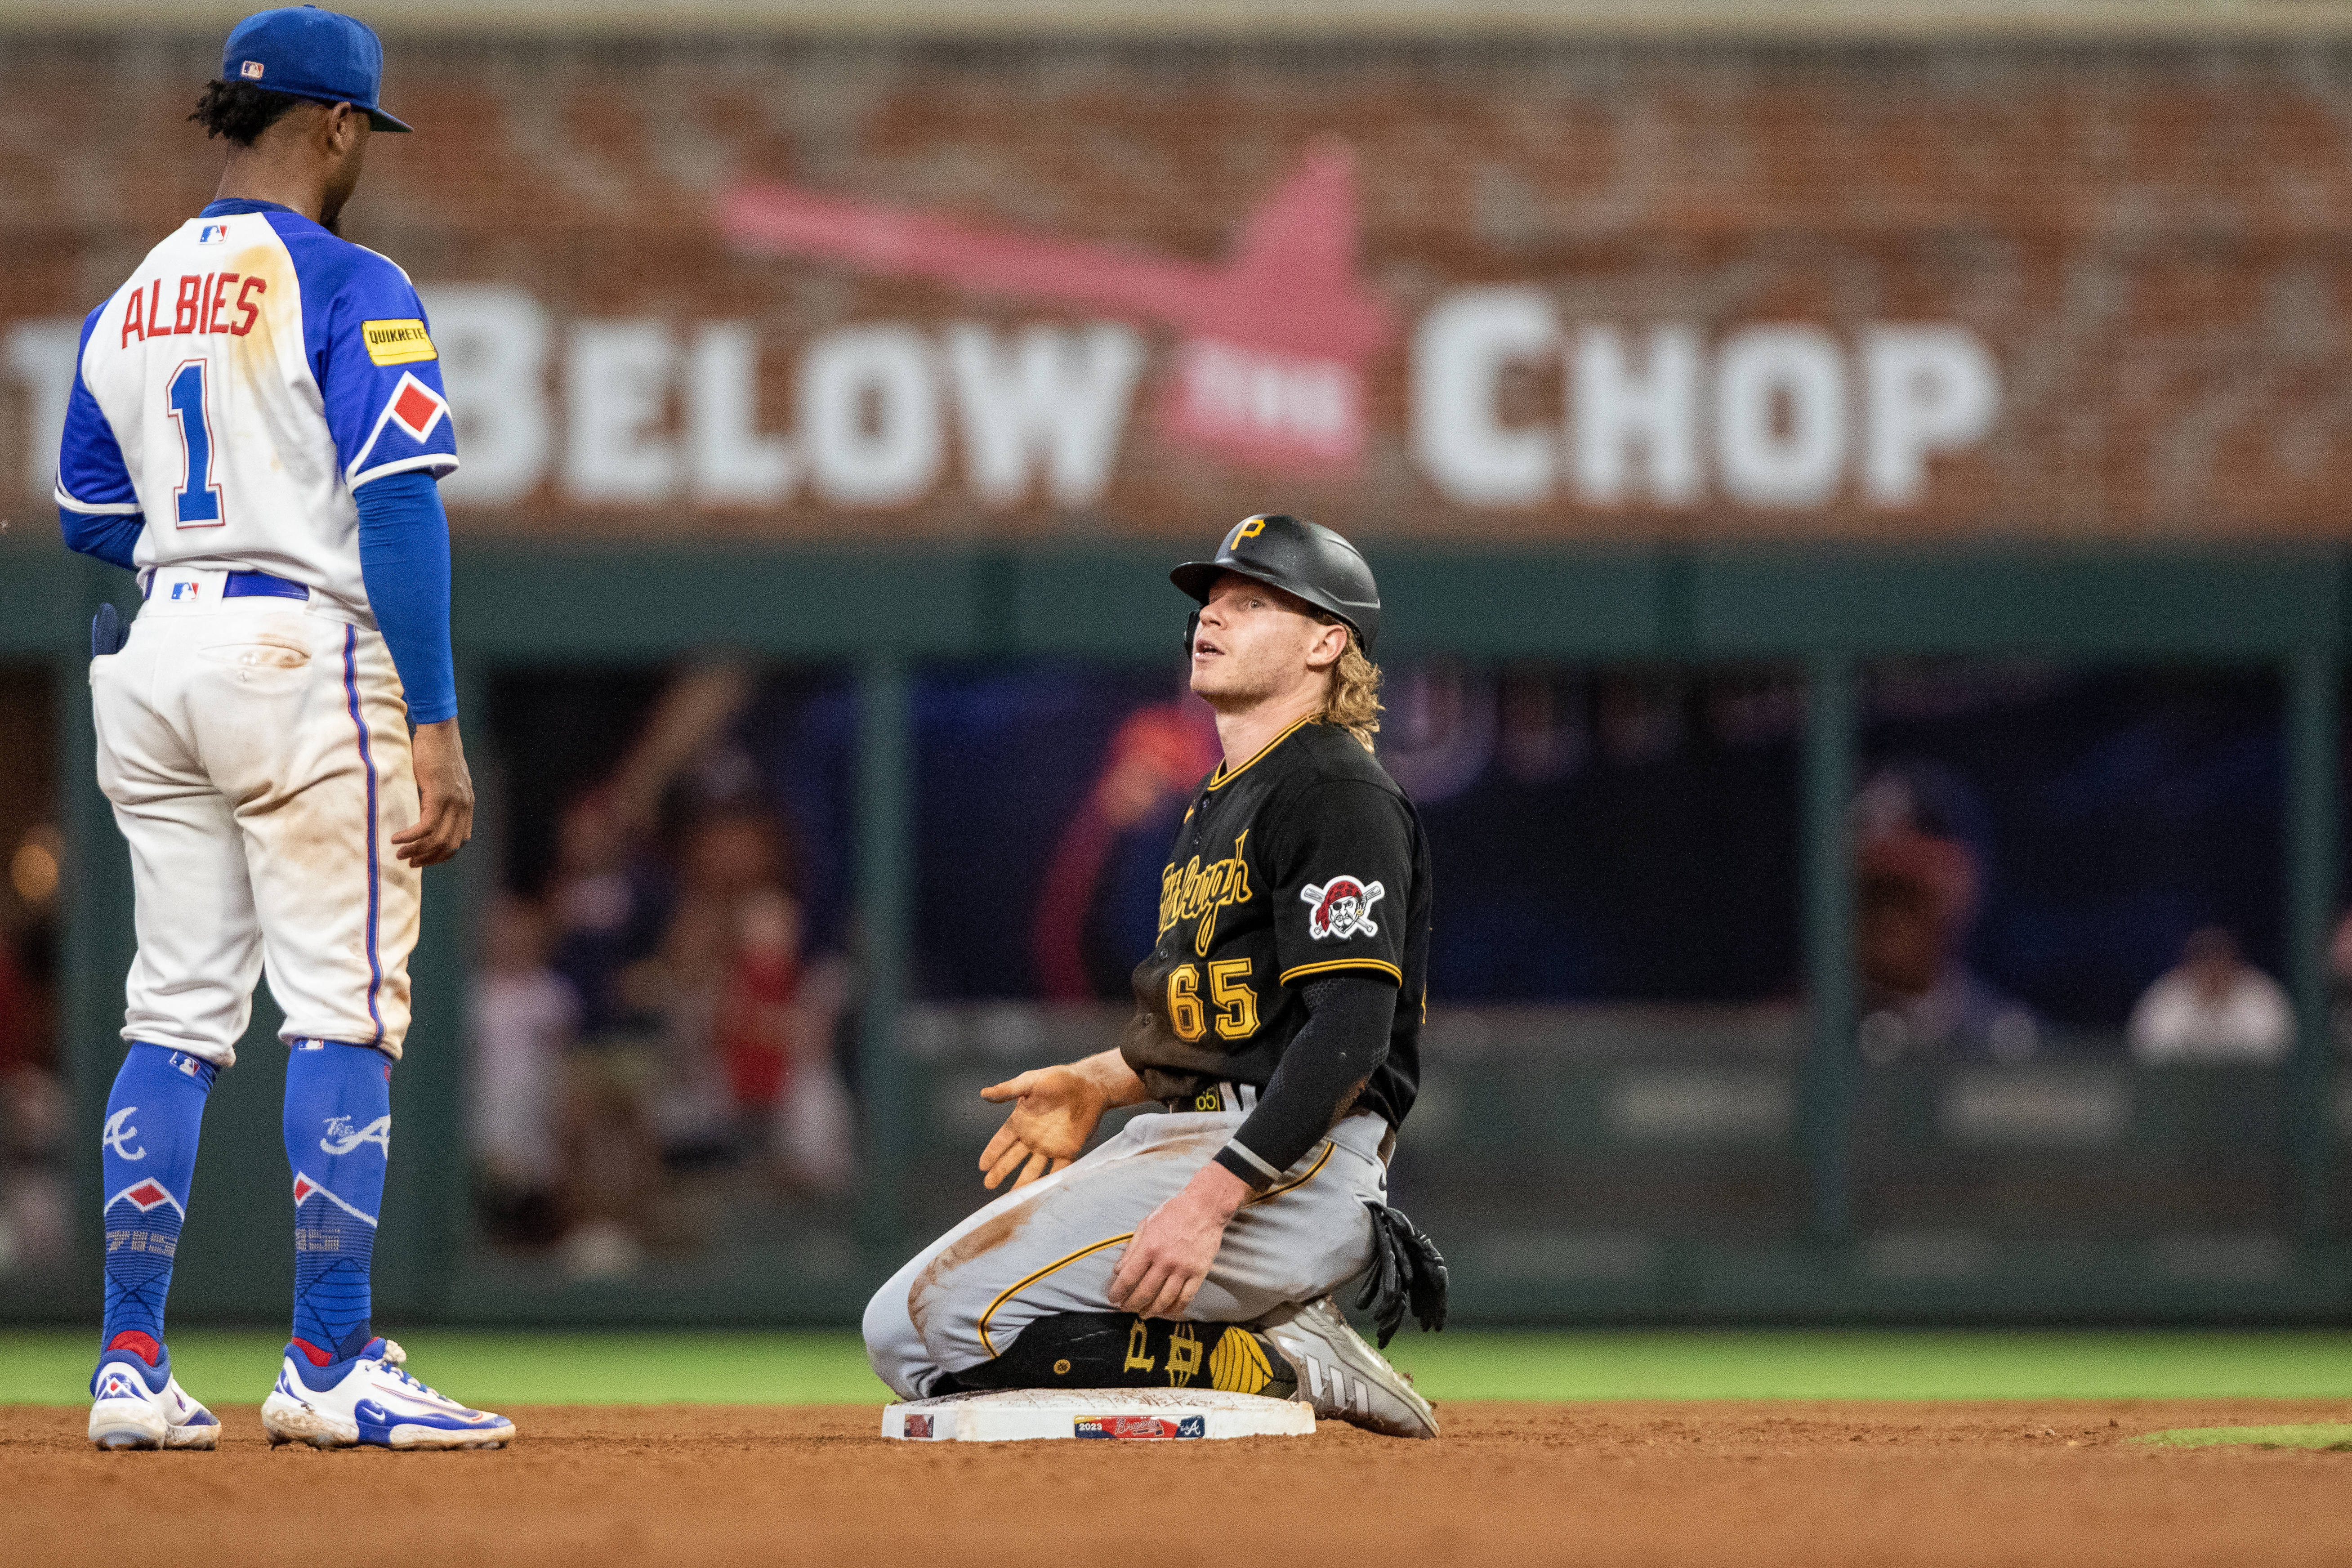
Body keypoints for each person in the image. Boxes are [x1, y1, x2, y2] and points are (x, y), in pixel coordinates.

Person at [57, 9, 509, 1450]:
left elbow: (86, 511)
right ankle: (328, 1359)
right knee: (342, 1004)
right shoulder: (349, 276)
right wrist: (434, 725)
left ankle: (131, 1362)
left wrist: (195, 559)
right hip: (296, 647)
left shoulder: (125, 298)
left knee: (173, 1010)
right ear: (333, 126)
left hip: (151, 643)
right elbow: (396, 502)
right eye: (363, 130)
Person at [862, 514, 1449, 1439]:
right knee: (901, 1340)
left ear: (1326, 642)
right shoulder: (1220, 797)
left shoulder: (1335, 789)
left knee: (954, 1326)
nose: (1209, 619)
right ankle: (1268, 1333)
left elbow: (1344, 1033)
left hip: (1286, 1164)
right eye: (1208, 603)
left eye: (1249, 602)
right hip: (1188, 1136)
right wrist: (1099, 1079)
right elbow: (1233, 1020)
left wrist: (1205, 1204)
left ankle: (1287, 1360)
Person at [1851, 763, 2041, 1063]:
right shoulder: (1790, 1035)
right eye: (1868, 891)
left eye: (1903, 890)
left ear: (1957, 891)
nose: (1883, 914)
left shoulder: (2004, 1041)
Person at [2128, 927, 2292, 1065]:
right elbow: (2147, 1049)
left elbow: (2279, 1048)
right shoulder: (2168, 995)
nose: (2212, 969)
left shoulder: (2259, 994)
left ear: (2233, 961)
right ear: (2190, 963)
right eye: (2204, 960)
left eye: (2219, 959)